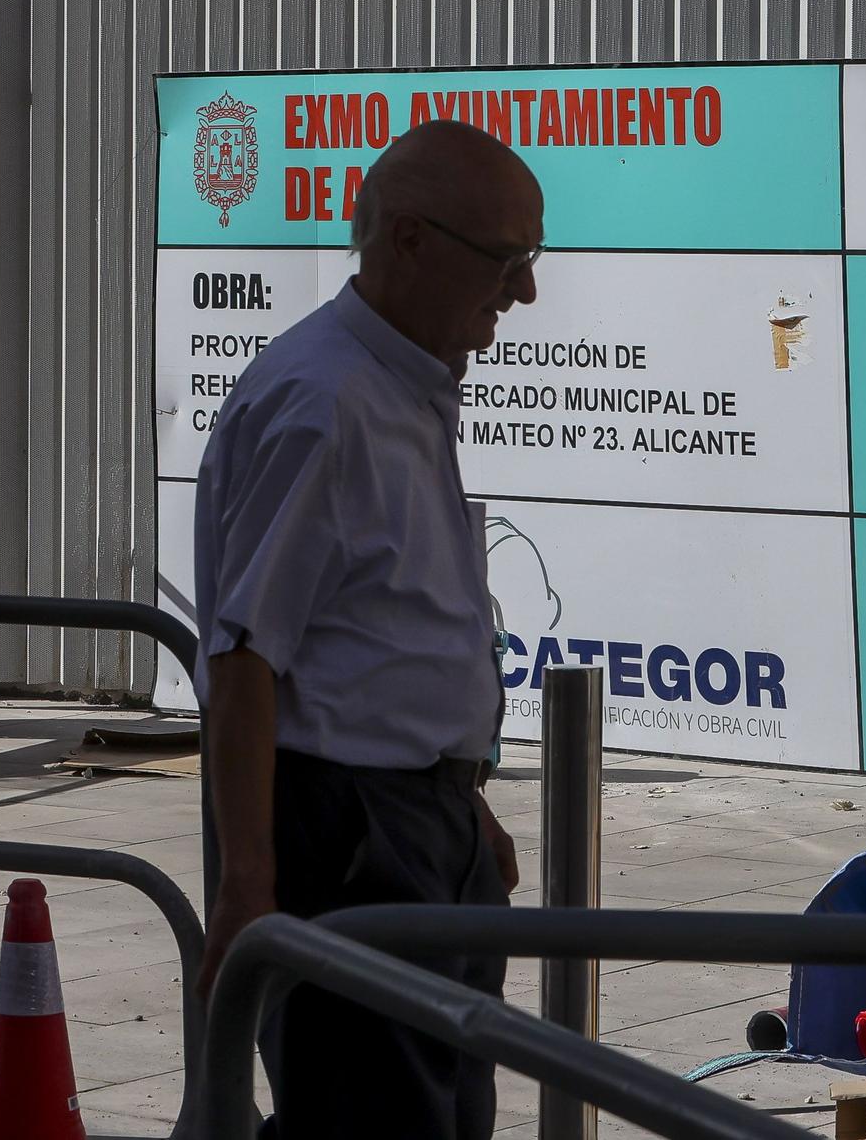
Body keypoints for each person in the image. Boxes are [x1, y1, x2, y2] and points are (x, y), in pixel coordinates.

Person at [194, 118, 545, 1140]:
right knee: (372, 1117)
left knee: (438, 1114)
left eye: (529, 258)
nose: (521, 293)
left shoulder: (400, 387)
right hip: (349, 833)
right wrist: (249, 884)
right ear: (407, 241)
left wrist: (452, 792)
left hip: (418, 819)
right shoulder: (323, 403)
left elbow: (381, 632)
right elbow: (246, 655)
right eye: (506, 260)